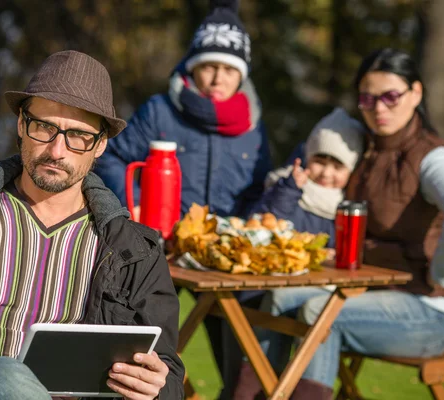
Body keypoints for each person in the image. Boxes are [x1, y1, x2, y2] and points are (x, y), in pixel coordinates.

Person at [0, 50, 184, 400]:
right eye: (44, 127)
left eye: (78, 135)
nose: (56, 150)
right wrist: (3, 384)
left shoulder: (137, 251)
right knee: (5, 376)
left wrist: (156, 387)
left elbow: (168, 372)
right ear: (21, 125)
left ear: (100, 146)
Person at [251, 47, 444, 400]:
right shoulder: (365, 150)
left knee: (320, 313)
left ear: (416, 93)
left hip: (429, 310)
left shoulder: (431, 156)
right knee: (277, 297)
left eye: (391, 96)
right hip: (370, 293)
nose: (379, 108)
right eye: (367, 98)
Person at [94, 1, 272, 397]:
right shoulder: (160, 110)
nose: (217, 77)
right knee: (146, 337)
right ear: (192, 66)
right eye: (209, 65)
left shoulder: (253, 125)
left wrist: (248, 230)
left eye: (228, 69)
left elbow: (259, 189)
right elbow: (110, 157)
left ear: (241, 75)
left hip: (223, 260)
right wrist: (134, 208)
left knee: (243, 342)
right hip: (159, 250)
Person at [232, 108, 365, 398]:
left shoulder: (348, 207)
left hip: (319, 289)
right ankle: (256, 388)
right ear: (307, 159)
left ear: (350, 170)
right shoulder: (285, 187)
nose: (327, 173)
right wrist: (290, 190)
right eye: (320, 161)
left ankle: (269, 388)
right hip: (273, 286)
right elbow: (260, 224)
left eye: (337, 166)